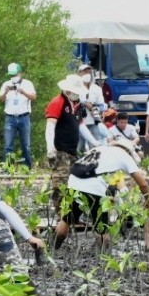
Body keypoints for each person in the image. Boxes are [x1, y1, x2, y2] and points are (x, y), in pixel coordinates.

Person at [52, 138, 149, 250]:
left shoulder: (99, 149)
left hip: (74, 181)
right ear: (128, 150)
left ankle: (52, 250)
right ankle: (104, 257)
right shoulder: (124, 155)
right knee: (102, 227)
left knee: (67, 219)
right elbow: (143, 184)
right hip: (94, 185)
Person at [46, 74, 101, 217]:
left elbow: (81, 126)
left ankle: (72, 215)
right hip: (60, 150)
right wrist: (50, 148)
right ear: (68, 91)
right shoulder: (57, 103)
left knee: (75, 183)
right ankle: (62, 217)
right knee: (60, 183)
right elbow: (50, 127)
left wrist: (94, 142)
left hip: (72, 151)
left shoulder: (76, 105)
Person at [0, 62, 37, 167]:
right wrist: (6, 92)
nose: (13, 77)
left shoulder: (28, 84)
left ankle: (27, 167)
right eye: (11, 75)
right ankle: (8, 168)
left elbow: (34, 97)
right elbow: (1, 99)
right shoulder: (6, 84)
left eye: (15, 75)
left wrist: (23, 92)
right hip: (10, 118)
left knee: (26, 145)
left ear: (21, 73)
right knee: (8, 145)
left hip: (24, 117)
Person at [76, 63, 106, 150]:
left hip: (93, 121)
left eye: (89, 72)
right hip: (79, 121)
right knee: (79, 146)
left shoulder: (97, 88)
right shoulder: (76, 87)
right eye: (84, 72)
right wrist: (84, 103)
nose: (87, 74)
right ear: (79, 73)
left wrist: (96, 110)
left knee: (94, 147)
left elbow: (101, 105)